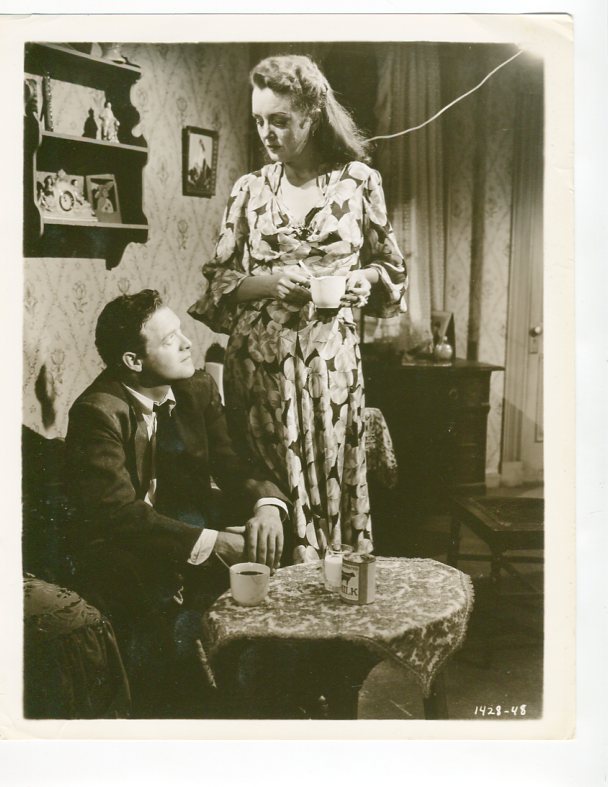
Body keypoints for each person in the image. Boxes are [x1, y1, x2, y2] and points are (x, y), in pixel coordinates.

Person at [188, 55, 407, 563]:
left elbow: (391, 268)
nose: (267, 133)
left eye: (280, 120)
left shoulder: (359, 182)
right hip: (259, 366)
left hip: (330, 365)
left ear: (313, 114)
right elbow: (218, 281)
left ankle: (331, 594)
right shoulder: (249, 189)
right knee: (270, 491)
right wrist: (268, 283)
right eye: (259, 120)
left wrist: (363, 279)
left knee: (331, 481)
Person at [65, 289, 288, 714]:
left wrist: (267, 508)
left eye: (181, 332)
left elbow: (235, 466)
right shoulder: (98, 412)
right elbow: (118, 516)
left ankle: (272, 694)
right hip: (122, 549)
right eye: (170, 340)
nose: (188, 343)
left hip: (180, 525)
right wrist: (215, 542)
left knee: (279, 540)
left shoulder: (196, 388)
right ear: (133, 361)